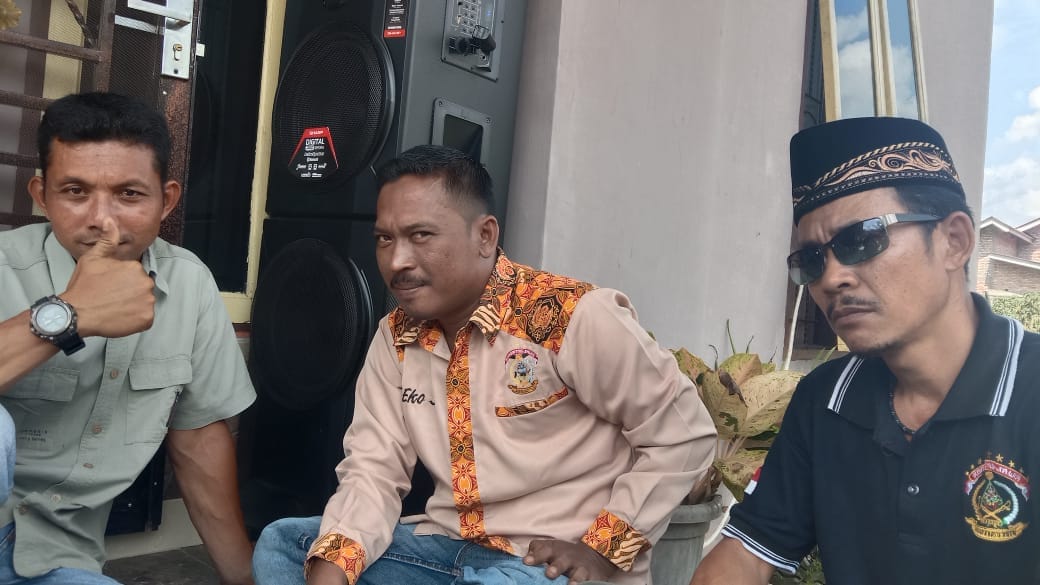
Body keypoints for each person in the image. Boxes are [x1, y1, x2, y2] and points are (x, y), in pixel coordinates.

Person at [252, 145, 716, 585]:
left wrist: (602, 549)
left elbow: (683, 432)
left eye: (420, 235)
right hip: (444, 552)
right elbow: (373, 470)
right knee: (288, 546)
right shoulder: (395, 337)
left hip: (551, 563)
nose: (396, 261)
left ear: (485, 236)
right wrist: (335, 566)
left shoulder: (568, 315)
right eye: (384, 239)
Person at [691, 116, 1040, 584]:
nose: (831, 278)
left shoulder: (592, 319)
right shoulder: (826, 398)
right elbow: (749, 553)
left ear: (954, 241)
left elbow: (662, 434)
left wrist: (611, 542)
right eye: (812, 260)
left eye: (862, 240)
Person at [0, 92, 256, 584]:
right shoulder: (4, 266)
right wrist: (69, 313)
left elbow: (199, 443)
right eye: (75, 191)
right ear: (42, 195)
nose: (103, 219)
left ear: (167, 201)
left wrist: (244, 578)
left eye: (129, 194)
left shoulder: (188, 285)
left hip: (53, 558)